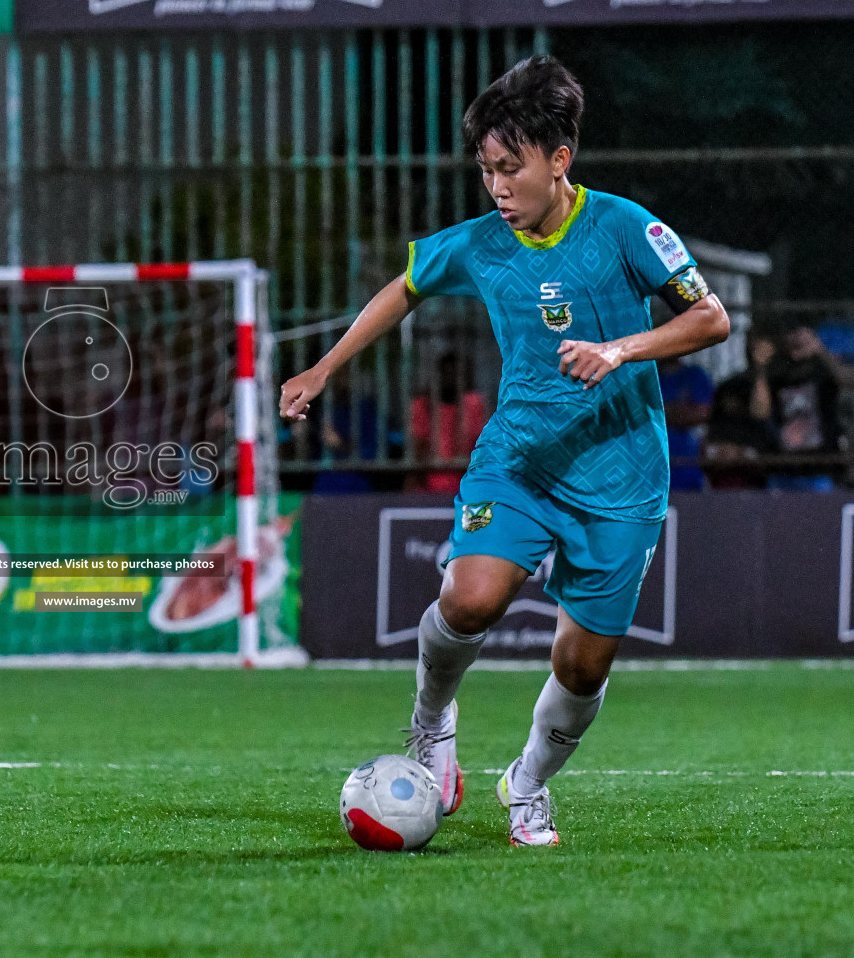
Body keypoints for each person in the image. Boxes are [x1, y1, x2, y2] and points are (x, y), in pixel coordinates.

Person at [280, 57, 730, 846]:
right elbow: (405, 286)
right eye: (486, 169)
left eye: (510, 168)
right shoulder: (483, 243)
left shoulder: (626, 227)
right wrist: (324, 366)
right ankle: (431, 723)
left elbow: (711, 319)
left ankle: (526, 784)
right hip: (518, 458)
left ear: (560, 160)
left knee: (583, 667)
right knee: (471, 598)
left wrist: (619, 350)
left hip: (622, 475)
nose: (496, 186)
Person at [764, 325, 845, 491]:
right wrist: (763, 364)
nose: (798, 348)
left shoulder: (824, 377)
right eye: (793, 341)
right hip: (783, 469)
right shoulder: (776, 376)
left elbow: (844, 379)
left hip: (820, 469)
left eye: (803, 342)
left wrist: (819, 349)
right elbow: (760, 411)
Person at [704, 330, 777, 490]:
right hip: (724, 471)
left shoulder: (779, 382)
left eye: (761, 344)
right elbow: (712, 430)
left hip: (764, 470)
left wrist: (760, 368)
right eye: (752, 343)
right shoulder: (729, 386)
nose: (756, 349)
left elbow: (760, 413)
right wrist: (722, 450)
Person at [409, 351, 488, 495]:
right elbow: (418, 449)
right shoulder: (423, 405)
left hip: (466, 483)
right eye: (445, 373)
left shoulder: (473, 404)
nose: (450, 379)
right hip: (428, 486)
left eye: (455, 374)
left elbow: (479, 448)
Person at [656, 356, 713, 491]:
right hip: (652, 464)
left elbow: (702, 412)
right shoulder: (646, 377)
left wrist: (660, 412)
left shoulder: (695, 374)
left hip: (689, 466)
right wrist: (680, 409)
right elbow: (639, 414)